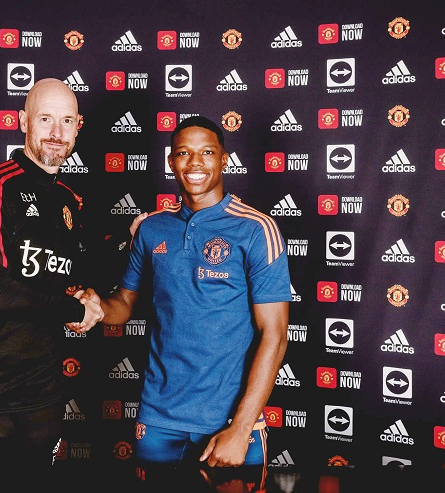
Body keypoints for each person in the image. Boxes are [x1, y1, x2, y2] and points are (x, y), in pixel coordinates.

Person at [79, 115, 290, 487]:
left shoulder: (256, 228)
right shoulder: (152, 228)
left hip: (228, 423)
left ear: (224, 160)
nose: (195, 163)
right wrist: (96, 309)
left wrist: (241, 428)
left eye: (207, 152)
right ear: (170, 161)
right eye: (183, 153)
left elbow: (274, 335)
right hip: (159, 418)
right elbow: (124, 302)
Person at [0, 78, 121, 489]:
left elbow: (80, 271)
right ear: (23, 122)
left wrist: (132, 236)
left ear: (78, 128)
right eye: (45, 119)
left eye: (66, 121)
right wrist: (75, 308)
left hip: (41, 393)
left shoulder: (69, 199)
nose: (56, 132)